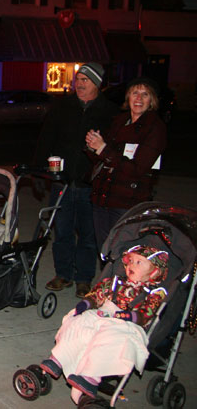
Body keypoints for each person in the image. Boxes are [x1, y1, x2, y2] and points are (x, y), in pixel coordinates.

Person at [38, 244, 168, 401]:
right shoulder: (116, 282)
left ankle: (90, 376)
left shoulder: (154, 293)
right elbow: (98, 293)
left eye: (139, 262)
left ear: (154, 271)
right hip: (106, 313)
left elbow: (148, 312)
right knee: (79, 321)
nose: (131, 265)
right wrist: (86, 303)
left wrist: (130, 316)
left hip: (128, 323)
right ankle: (59, 358)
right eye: (130, 261)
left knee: (110, 338)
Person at [34, 62, 118, 299]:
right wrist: (40, 172)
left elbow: (113, 148)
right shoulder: (63, 107)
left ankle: (84, 278)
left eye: (85, 80)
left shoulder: (109, 112)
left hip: (90, 185)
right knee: (62, 231)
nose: (79, 84)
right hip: (62, 182)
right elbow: (46, 138)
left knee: (89, 235)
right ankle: (63, 274)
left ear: (97, 85)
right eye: (78, 79)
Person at [86, 77, 167, 247]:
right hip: (103, 196)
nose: (138, 98)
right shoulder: (120, 121)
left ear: (151, 100)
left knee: (124, 251)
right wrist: (93, 146)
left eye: (145, 95)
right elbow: (102, 157)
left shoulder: (155, 128)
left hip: (127, 201)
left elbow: (138, 169)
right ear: (128, 97)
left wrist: (103, 149)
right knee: (104, 248)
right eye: (134, 93)